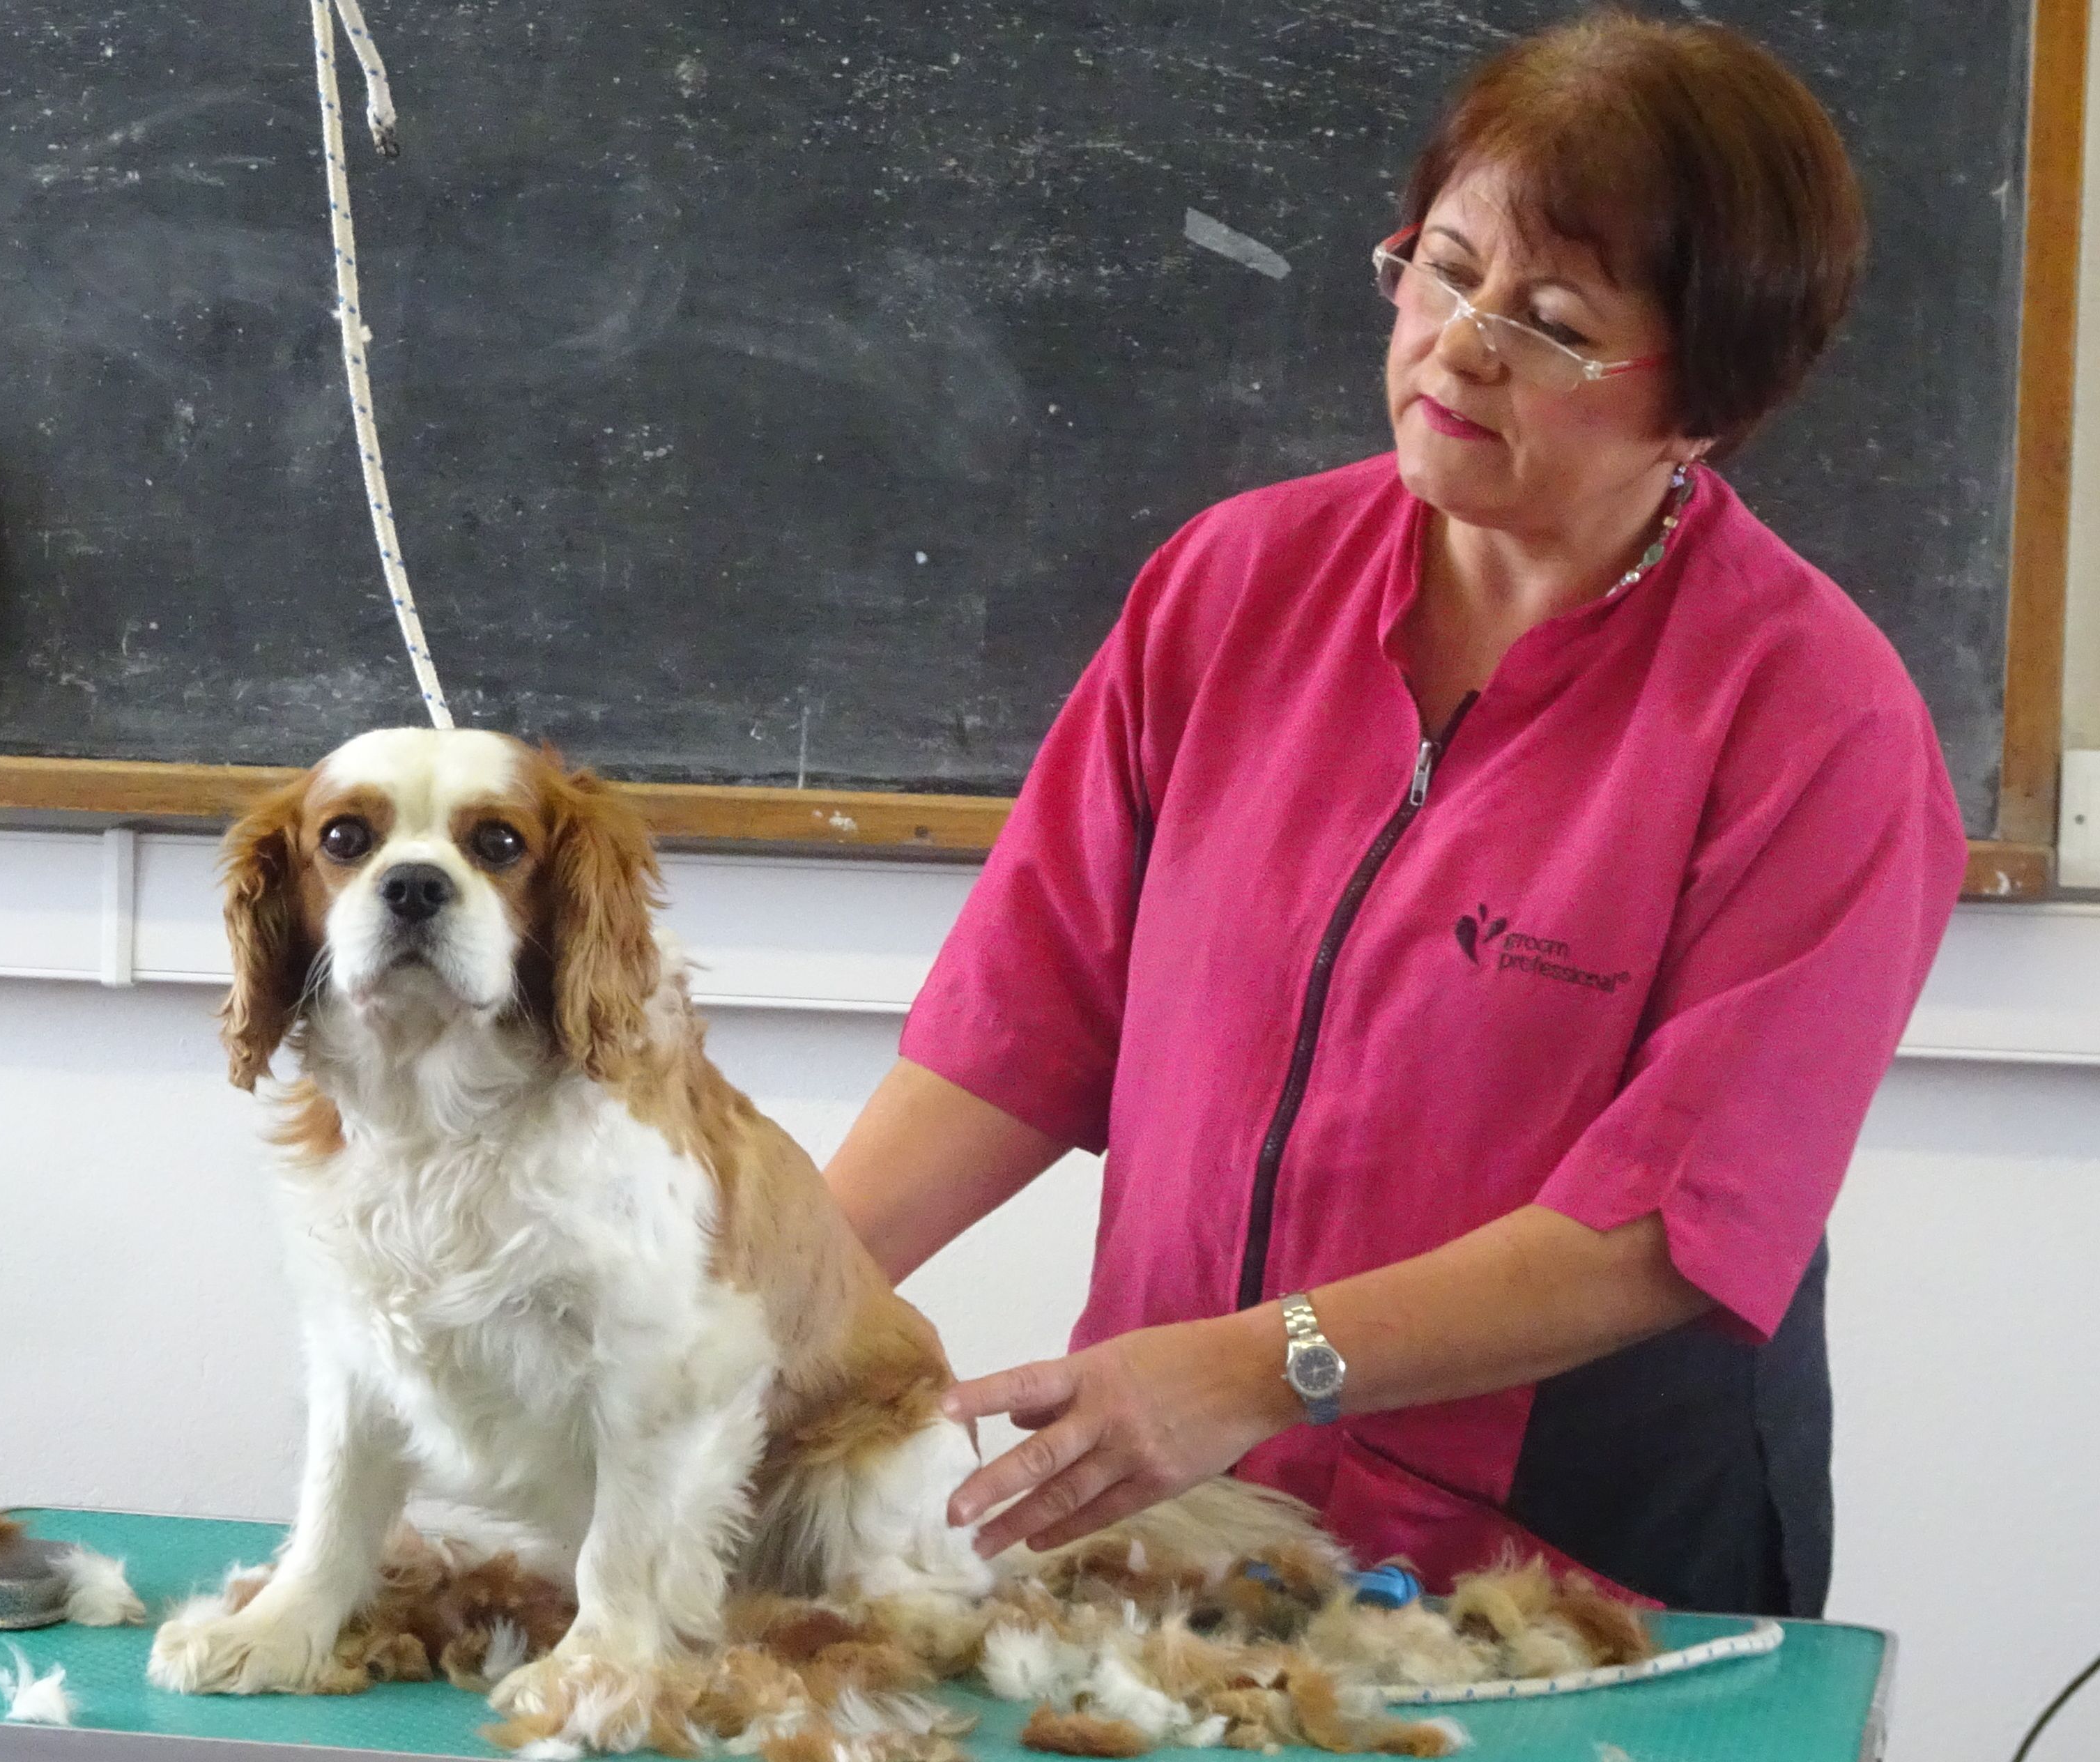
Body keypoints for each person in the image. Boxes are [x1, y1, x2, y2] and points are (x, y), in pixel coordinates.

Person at [822, 8, 1966, 1617]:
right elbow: (1021, 1027)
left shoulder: (1811, 724)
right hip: (1189, 1516)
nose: (1458, 344)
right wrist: (754, 1306)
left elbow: (1665, 1223)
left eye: (1552, 322)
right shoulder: (1229, 586)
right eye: (1439, 268)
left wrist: (1257, 1364)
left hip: (1563, 1563)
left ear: (1704, 395)